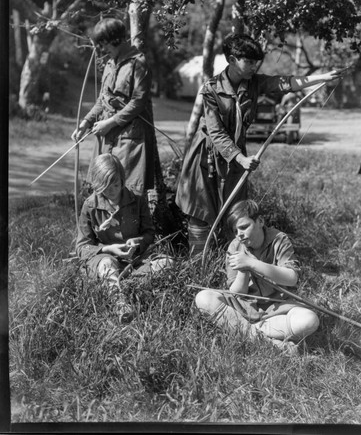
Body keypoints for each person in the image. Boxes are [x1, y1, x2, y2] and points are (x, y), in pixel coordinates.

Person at [175, 33, 343, 255]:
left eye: (257, 62)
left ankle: (233, 264)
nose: (255, 66)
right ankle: (198, 264)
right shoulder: (211, 89)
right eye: (250, 61)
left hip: (235, 160)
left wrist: (321, 78)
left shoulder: (254, 83)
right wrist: (241, 158)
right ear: (233, 60)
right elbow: (215, 132)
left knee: (236, 212)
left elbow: (284, 83)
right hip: (205, 158)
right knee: (200, 213)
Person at [195, 199, 320, 353]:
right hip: (244, 310)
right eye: (235, 231)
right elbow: (237, 292)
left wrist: (252, 263)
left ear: (260, 221)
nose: (239, 234)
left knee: (309, 320)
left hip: (278, 311)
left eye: (244, 227)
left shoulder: (279, 239)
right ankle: (272, 345)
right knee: (203, 298)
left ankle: (247, 332)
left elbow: (291, 277)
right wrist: (244, 269)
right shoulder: (235, 247)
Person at [71, 18, 155, 196]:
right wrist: (85, 123)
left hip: (129, 139)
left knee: (126, 191)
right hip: (107, 138)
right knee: (103, 186)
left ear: (116, 39)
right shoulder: (110, 64)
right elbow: (103, 100)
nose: (102, 50)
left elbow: (138, 101)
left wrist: (110, 123)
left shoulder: (138, 63)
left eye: (104, 44)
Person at [75, 153, 155, 324]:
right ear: (97, 184)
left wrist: (137, 242)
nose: (112, 191)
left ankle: (135, 288)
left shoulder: (137, 201)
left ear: (123, 180)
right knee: (106, 265)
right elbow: (82, 246)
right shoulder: (90, 205)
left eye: (116, 185)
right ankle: (121, 306)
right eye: (105, 187)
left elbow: (149, 233)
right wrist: (107, 249)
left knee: (165, 264)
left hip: (136, 259)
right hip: (105, 258)